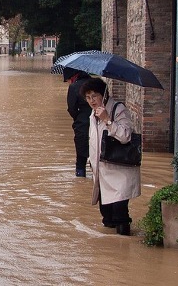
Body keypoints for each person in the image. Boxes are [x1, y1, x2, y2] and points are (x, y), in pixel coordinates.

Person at [80, 78, 141, 235]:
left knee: (120, 215)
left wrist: (107, 119)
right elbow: (93, 141)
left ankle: (124, 250)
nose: (91, 101)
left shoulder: (118, 110)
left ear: (104, 95)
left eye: (94, 96)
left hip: (119, 171)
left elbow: (126, 136)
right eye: (88, 97)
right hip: (101, 172)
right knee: (107, 217)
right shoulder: (93, 114)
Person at [64, 67, 91, 177]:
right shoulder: (97, 84)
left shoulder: (74, 87)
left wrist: (78, 118)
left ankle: (80, 177)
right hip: (100, 124)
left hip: (82, 125)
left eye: (68, 80)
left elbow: (72, 108)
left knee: (81, 156)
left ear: (72, 77)